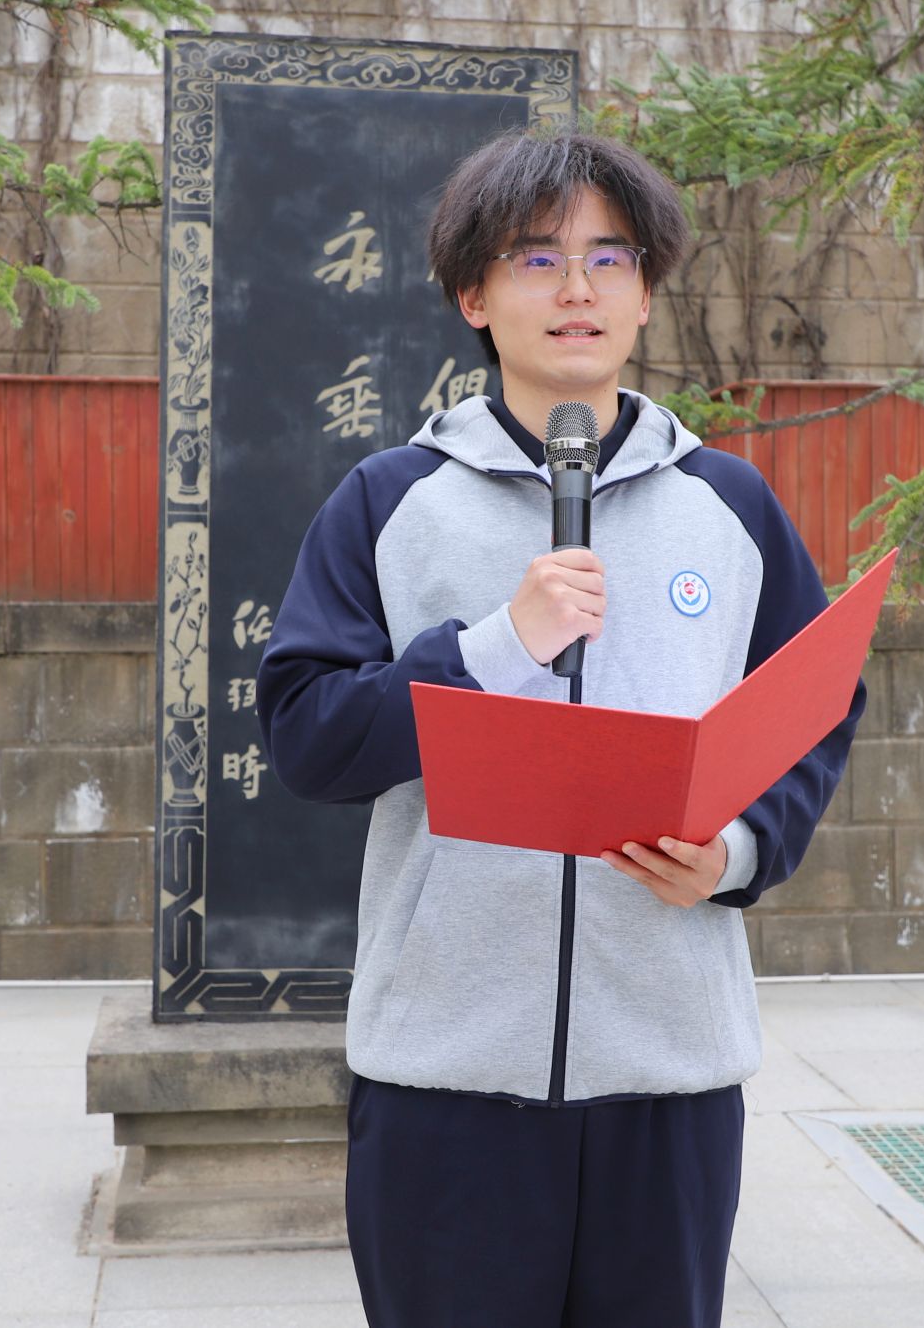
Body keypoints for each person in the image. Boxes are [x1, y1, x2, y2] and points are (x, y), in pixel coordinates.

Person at [254, 125, 868, 1328]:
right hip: (444, 1075)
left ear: (644, 293)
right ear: (472, 296)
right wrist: (496, 646)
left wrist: (738, 851)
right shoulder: (389, 500)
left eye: (607, 258)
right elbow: (307, 734)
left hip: (669, 1070)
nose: (575, 289)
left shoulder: (728, 505)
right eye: (536, 260)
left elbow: (815, 705)